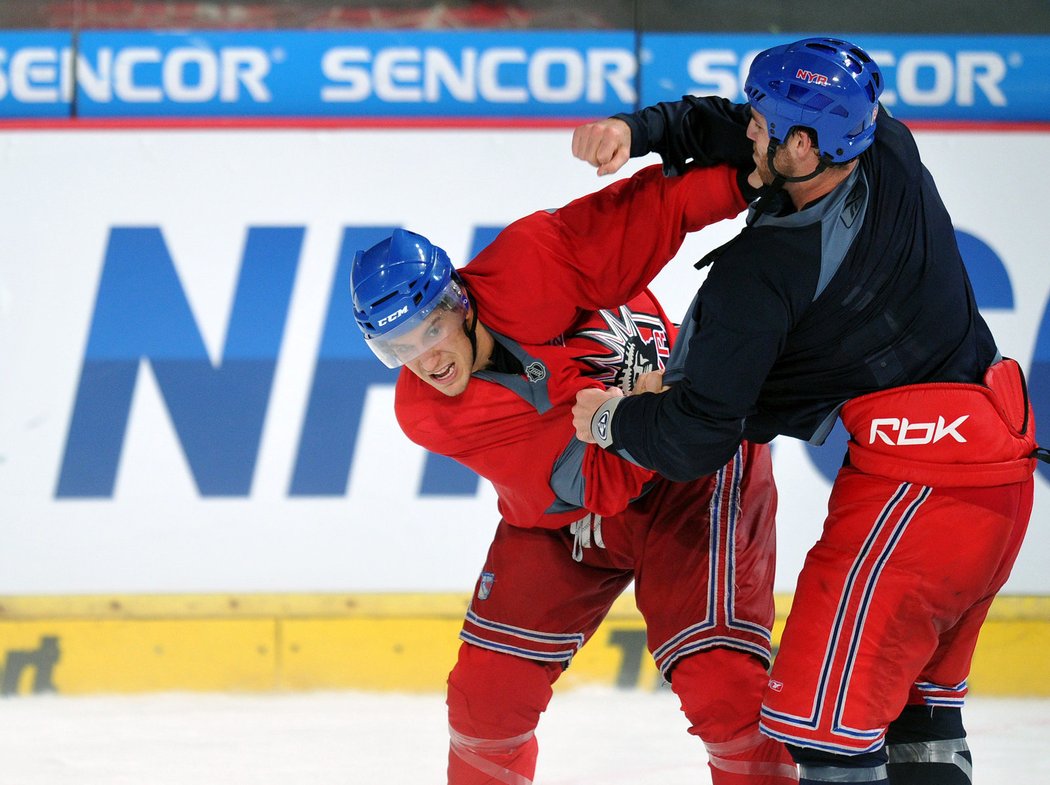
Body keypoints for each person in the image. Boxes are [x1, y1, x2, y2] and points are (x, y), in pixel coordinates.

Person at [570, 37, 1040, 785]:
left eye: (764, 124)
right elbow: (730, 128)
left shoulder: (762, 276)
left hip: (914, 499)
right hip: (998, 480)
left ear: (802, 144)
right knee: (917, 720)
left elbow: (696, 439)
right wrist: (645, 131)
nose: (746, 130)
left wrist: (608, 417)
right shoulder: (883, 142)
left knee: (824, 737)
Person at [349, 163, 799, 784]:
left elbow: (652, 209)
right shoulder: (430, 415)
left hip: (694, 471)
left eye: (429, 329)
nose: (424, 360)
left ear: (458, 302)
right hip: (577, 507)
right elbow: (596, 483)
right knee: (487, 699)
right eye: (397, 348)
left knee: (722, 685)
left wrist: (746, 177)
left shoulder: (531, 260)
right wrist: (642, 414)